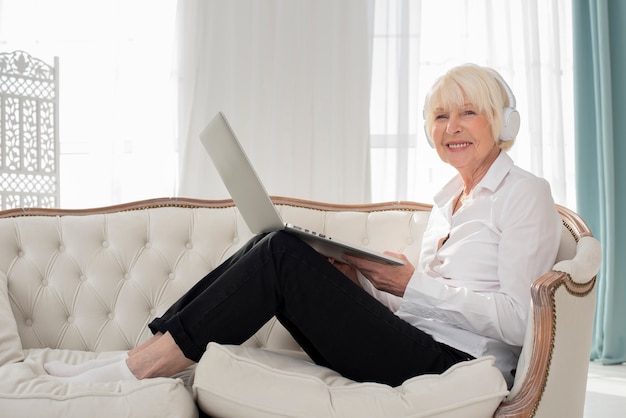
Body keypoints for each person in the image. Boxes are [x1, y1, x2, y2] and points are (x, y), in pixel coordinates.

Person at [44, 63, 561, 389]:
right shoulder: (448, 200)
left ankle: (135, 368)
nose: (451, 128)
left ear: (501, 123)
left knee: (280, 251)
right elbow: (423, 304)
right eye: (441, 116)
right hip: (413, 342)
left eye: (468, 113)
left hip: (456, 366)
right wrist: (368, 285)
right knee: (280, 242)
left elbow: (521, 321)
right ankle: (142, 355)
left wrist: (414, 285)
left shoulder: (525, 194)